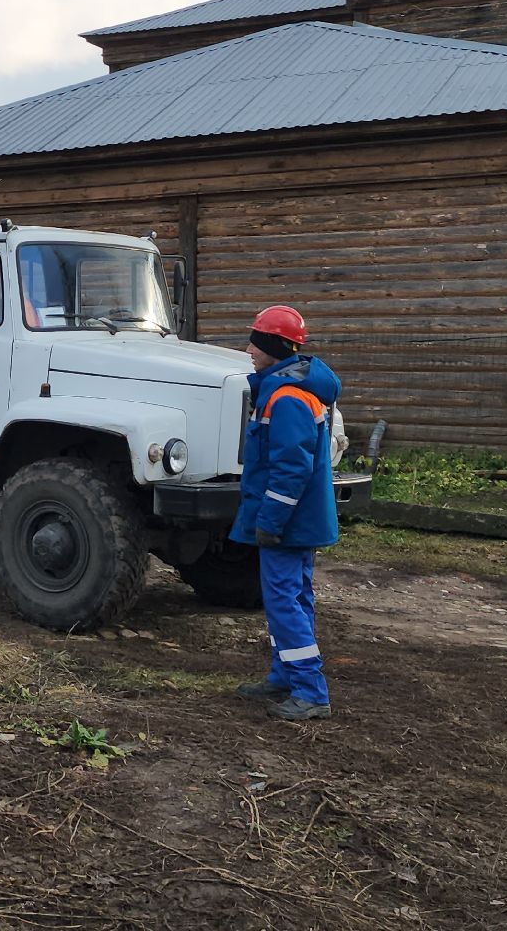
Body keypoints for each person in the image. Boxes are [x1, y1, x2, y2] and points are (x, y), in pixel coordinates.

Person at [231, 304, 342, 721]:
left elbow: (290, 469)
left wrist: (270, 522)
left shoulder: (286, 396)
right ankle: (284, 676)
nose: (249, 350)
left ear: (274, 347)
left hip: (288, 525)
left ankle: (310, 691)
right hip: (301, 522)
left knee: (283, 601)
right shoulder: (289, 388)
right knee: (294, 598)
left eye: (256, 343)